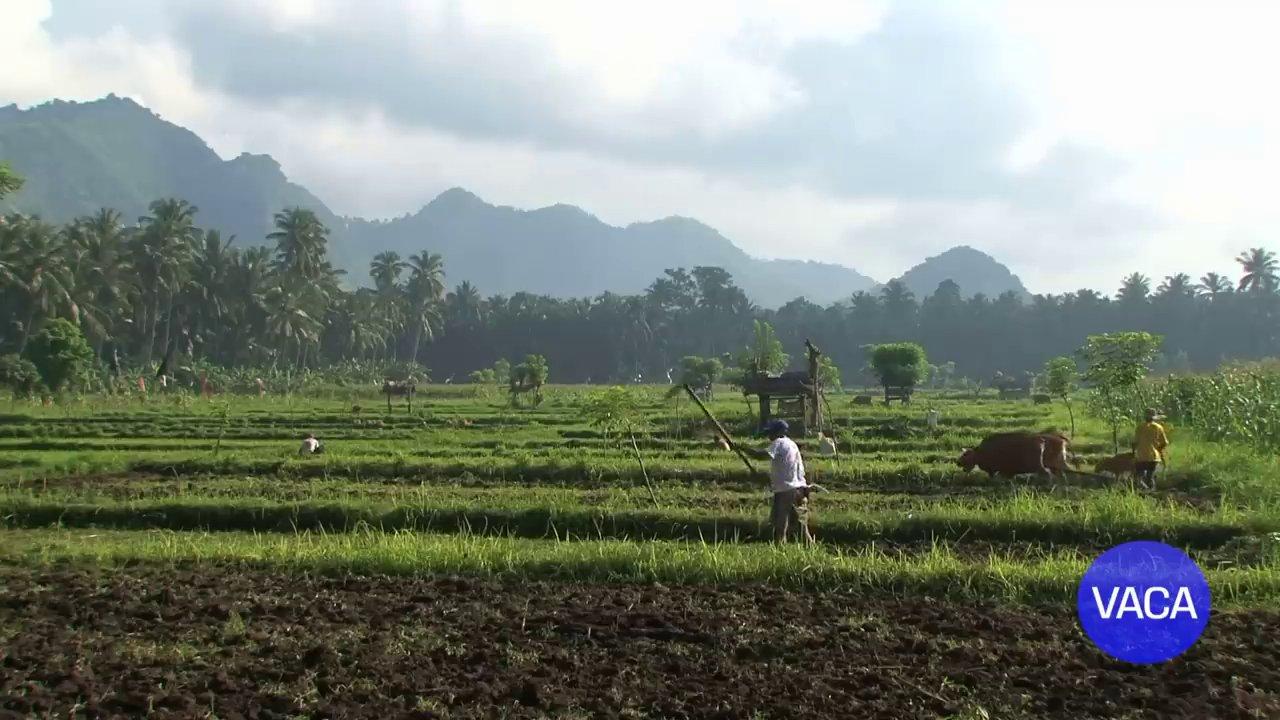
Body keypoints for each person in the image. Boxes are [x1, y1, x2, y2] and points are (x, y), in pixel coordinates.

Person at [741, 419, 815, 544]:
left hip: (786, 490)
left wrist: (744, 449)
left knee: (780, 525)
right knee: (801, 526)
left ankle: (780, 550)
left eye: (771, 432)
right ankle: (810, 549)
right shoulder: (792, 444)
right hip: (799, 489)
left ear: (778, 432)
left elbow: (762, 455)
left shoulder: (779, 443)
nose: (769, 435)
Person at [1132, 408, 1169, 489]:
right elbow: (1165, 442)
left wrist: (1133, 453)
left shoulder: (1140, 427)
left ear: (1145, 417)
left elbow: (1134, 442)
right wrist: (1159, 449)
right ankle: (1151, 491)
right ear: (1154, 417)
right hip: (1154, 456)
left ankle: (1144, 489)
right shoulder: (1159, 427)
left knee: (1139, 476)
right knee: (1150, 476)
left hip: (1141, 456)